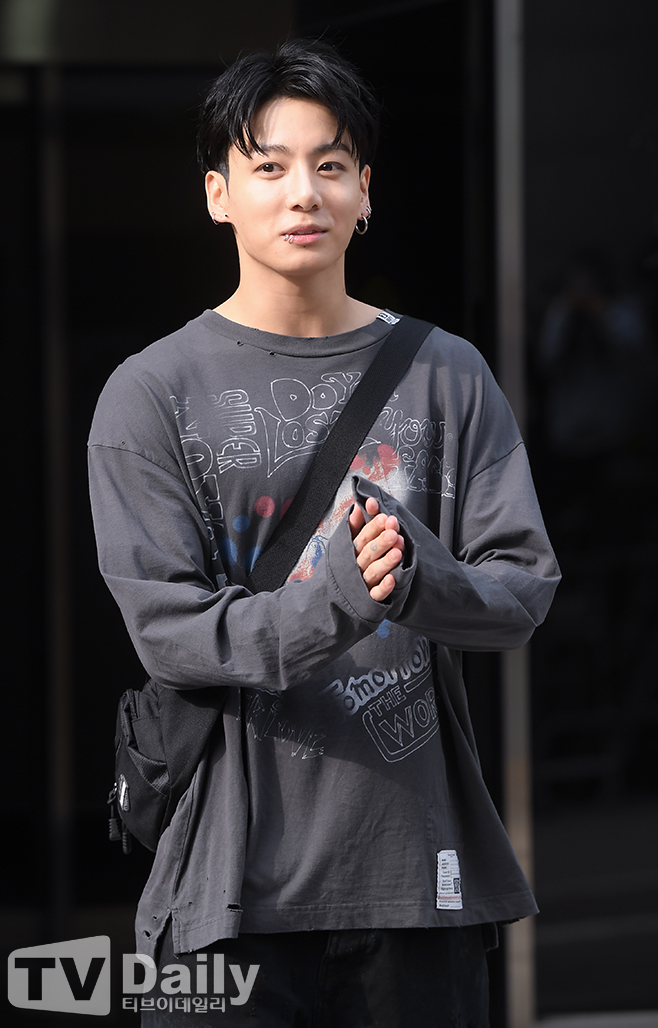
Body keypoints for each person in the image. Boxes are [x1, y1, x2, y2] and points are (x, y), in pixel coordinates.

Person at [88, 38, 560, 1027]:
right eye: (269, 166)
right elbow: (170, 631)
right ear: (218, 194)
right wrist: (340, 595)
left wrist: (417, 575)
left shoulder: (448, 372)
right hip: (229, 897)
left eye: (330, 164)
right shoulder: (151, 392)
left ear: (365, 192)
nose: (303, 191)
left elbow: (520, 587)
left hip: (417, 886)